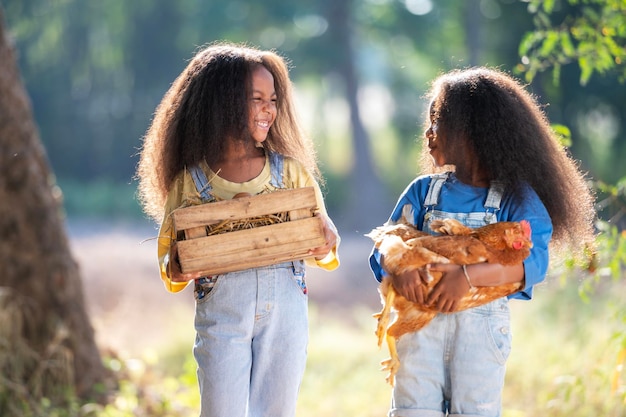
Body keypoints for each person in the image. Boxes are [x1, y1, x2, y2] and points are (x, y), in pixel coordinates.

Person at [368, 67, 595, 417]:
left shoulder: (515, 199)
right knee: (412, 410)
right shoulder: (423, 192)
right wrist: (399, 273)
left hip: (479, 334)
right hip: (418, 331)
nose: (428, 134)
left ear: (470, 131)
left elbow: (533, 265)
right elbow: (385, 242)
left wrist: (468, 278)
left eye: (436, 122)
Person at [136, 42, 340, 417]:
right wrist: (179, 267)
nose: (269, 109)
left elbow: (324, 247)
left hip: (286, 311)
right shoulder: (191, 183)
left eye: (273, 99)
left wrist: (327, 241)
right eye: (256, 99)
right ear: (223, 103)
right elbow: (169, 261)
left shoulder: (290, 173)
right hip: (222, 309)